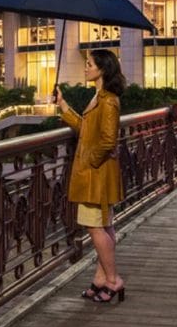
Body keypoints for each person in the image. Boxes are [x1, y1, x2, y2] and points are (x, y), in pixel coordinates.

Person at [53, 48, 126, 303]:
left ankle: (114, 280)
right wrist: (63, 105)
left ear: (102, 69)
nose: (86, 68)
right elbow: (87, 129)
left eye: (89, 64)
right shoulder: (99, 97)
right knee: (104, 225)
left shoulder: (107, 100)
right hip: (97, 173)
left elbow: (107, 140)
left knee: (95, 226)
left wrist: (89, 161)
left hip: (95, 174)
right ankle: (101, 279)